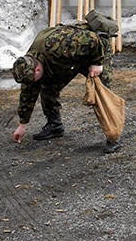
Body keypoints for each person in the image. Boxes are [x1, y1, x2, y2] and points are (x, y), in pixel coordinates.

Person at [11, 22, 119, 153]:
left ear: (37, 69)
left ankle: (113, 137)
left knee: (101, 90)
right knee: (48, 87)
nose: (32, 84)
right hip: (69, 59)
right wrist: (22, 125)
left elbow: (93, 40)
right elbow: (28, 94)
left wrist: (97, 62)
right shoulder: (28, 65)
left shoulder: (56, 44)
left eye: (33, 80)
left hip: (94, 49)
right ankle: (54, 126)